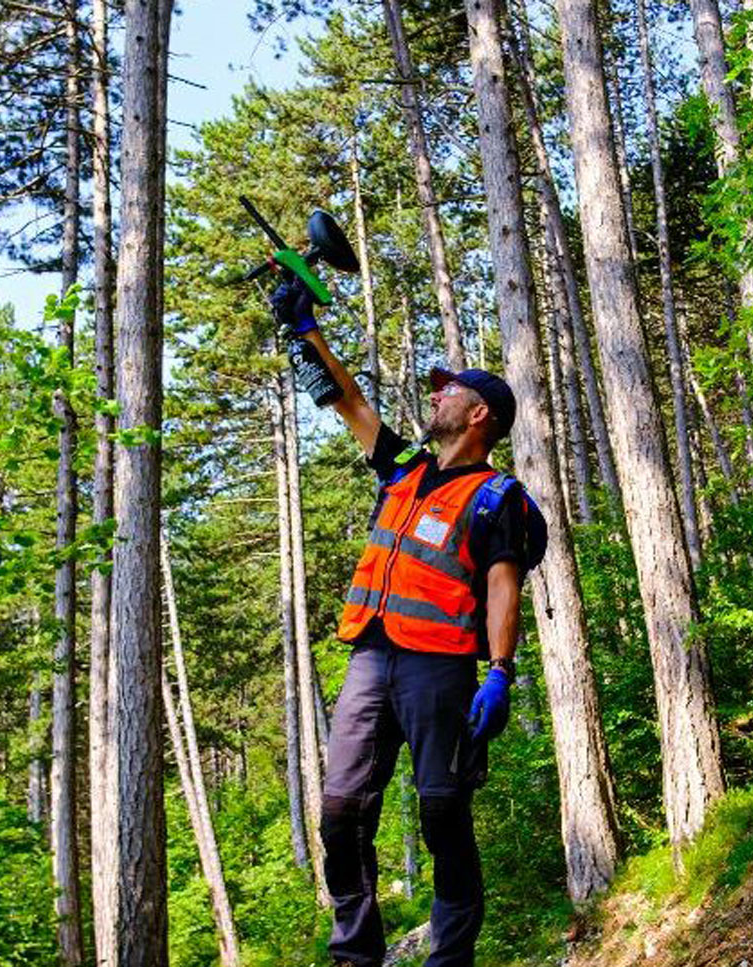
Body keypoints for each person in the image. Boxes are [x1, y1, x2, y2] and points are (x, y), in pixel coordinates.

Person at [270, 277, 544, 967]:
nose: (434, 395)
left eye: (447, 390)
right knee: (342, 812)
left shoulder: (495, 494)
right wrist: (306, 330)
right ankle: (354, 956)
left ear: (479, 412)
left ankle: (448, 960)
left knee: (442, 812)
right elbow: (350, 400)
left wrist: (501, 673)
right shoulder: (403, 470)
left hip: (440, 667)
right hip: (370, 659)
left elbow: (503, 587)